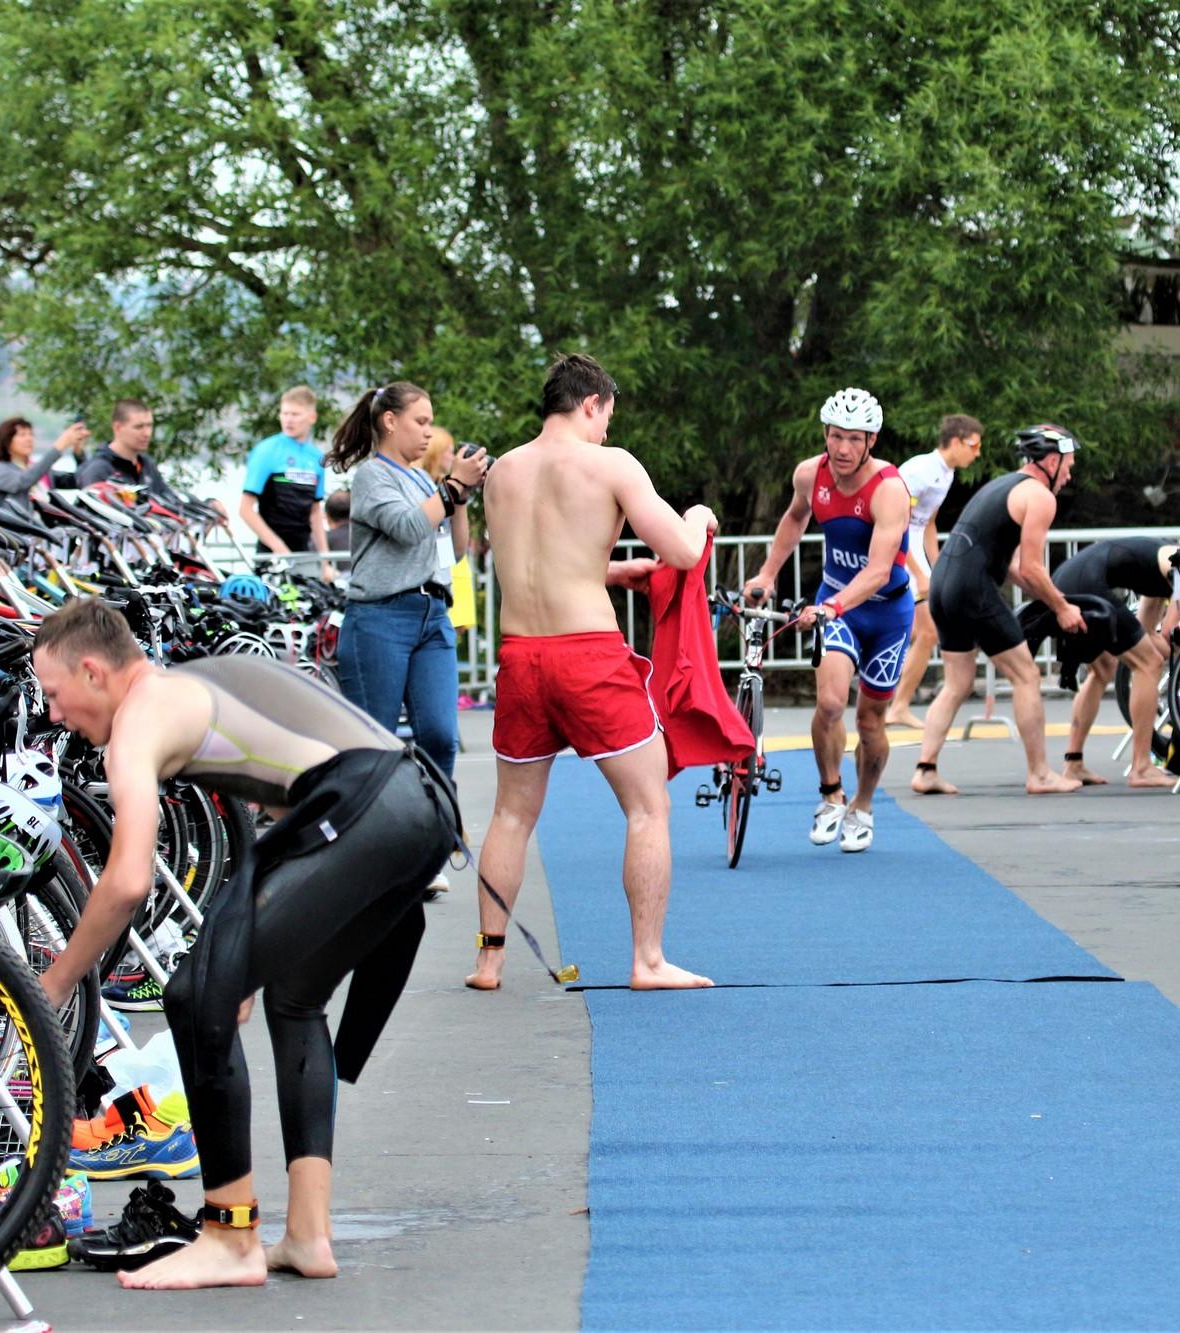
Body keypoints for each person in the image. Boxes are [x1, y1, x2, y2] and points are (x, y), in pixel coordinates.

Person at [30, 598, 462, 1289]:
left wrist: (54, 983)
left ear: (92, 671)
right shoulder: (198, 681)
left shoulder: (139, 719)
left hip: (370, 807)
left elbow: (128, 880)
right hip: (421, 807)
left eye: (54, 695)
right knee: (294, 998)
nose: (54, 715)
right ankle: (309, 1235)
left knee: (192, 994)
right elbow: (300, 792)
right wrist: (251, 958)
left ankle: (230, 1237)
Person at [470, 352, 715, 991]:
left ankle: (489, 961)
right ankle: (648, 961)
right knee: (648, 807)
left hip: (521, 657)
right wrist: (698, 516)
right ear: (591, 403)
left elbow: (538, 559)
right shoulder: (611, 464)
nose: (607, 429)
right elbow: (682, 550)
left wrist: (610, 570)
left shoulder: (501, 473)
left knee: (511, 815)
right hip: (588, 656)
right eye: (607, 416)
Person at [743, 388, 914, 853]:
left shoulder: (890, 490)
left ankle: (863, 805)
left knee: (871, 721)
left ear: (872, 441)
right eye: (836, 436)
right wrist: (767, 573)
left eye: (854, 439)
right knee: (831, 704)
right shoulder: (809, 474)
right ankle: (831, 793)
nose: (843, 448)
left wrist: (832, 606)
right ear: (825, 433)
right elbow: (794, 519)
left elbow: (879, 570)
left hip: (887, 612)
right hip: (837, 606)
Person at [911, 424, 1086, 797]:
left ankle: (925, 770)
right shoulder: (1040, 497)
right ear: (1051, 461)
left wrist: (1054, 598)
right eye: (1068, 465)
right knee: (1026, 675)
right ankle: (1040, 774)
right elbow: (1033, 568)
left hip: (943, 585)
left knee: (957, 683)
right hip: (971, 589)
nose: (1069, 475)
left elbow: (1015, 568)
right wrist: (1062, 608)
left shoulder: (1002, 486)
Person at [329, 384, 488, 788]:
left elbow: (453, 551)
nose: (428, 432)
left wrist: (461, 496)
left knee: (441, 737)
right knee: (376, 744)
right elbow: (407, 526)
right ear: (390, 421)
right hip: (380, 619)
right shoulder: (371, 476)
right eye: (420, 422)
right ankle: (373, 821)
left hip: (433, 617)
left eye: (430, 423)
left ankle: (436, 818)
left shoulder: (421, 479)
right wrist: (453, 486)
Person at [1051, 537, 1180, 788]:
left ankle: (1073, 764)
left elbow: (1147, 633)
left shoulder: (1160, 575)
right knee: (1148, 665)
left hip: (1065, 579)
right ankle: (1142, 767)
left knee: (1103, 669)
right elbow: (1173, 635)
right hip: (1086, 583)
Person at [887, 414, 984, 729]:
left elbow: (928, 522)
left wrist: (938, 565)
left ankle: (895, 702)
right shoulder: (920, 471)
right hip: (898, 549)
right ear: (955, 441)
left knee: (921, 633)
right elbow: (897, 524)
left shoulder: (946, 474)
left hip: (913, 550)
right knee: (928, 632)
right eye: (974, 445)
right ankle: (897, 705)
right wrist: (918, 572)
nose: (977, 453)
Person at [239, 386, 335, 580]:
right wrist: (279, 548)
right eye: (285, 413)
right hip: (271, 552)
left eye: (295, 414)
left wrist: (326, 562)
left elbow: (315, 513)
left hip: (302, 550)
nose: (289, 420)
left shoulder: (316, 457)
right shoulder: (266, 451)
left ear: (312, 417)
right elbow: (245, 509)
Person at [76, 400, 175, 498]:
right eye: (139, 427)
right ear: (117, 427)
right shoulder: (98, 469)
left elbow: (173, 502)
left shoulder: (146, 464)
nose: (147, 433)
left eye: (149, 426)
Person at [0, 416, 88, 509]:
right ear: (7, 441)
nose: (29, 439)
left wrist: (79, 453)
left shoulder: (37, 470)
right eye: (22, 435)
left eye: (31, 434)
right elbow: (24, 481)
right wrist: (59, 446)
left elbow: (79, 481)